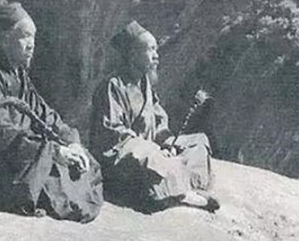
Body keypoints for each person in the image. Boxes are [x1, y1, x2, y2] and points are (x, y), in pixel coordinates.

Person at [0, 2, 103, 222]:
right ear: (4, 40)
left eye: (33, 37)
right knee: (55, 181)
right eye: (24, 36)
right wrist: (53, 151)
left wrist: (71, 141)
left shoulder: (20, 77)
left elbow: (45, 115)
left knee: (84, 163)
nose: (31, 44)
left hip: (23, 155)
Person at [91, 20, 219, 212]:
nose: (156, 55)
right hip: (121, 156)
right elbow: (111, 133)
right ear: (133, 54)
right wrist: (154, 148)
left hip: (151, 149)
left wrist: (167, 142)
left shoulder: (146, 84)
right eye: (150, 49)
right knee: (148, 156)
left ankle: (187, 185)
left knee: (198, 142)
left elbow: (159, 122)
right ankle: (180, 192)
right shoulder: (112, 86)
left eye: (156, 49)